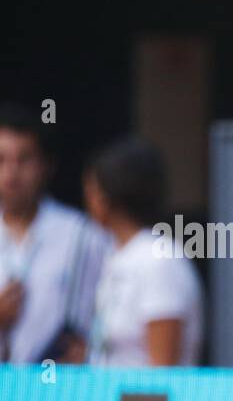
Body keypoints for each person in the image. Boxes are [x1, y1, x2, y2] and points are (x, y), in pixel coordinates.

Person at [0, 103, 111, 365]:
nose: (11, 173)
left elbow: (116, 308)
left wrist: (96, 352)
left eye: (24, 159)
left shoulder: (83, 235)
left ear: (47, 166)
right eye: (1, 160)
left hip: (62, 390)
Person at [83, 138, 204, 367]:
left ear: (106, 197)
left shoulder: (159, 260)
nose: (88, 198)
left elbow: (162, 371)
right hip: (110, 399)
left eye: (92, 188)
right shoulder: (118, 255)